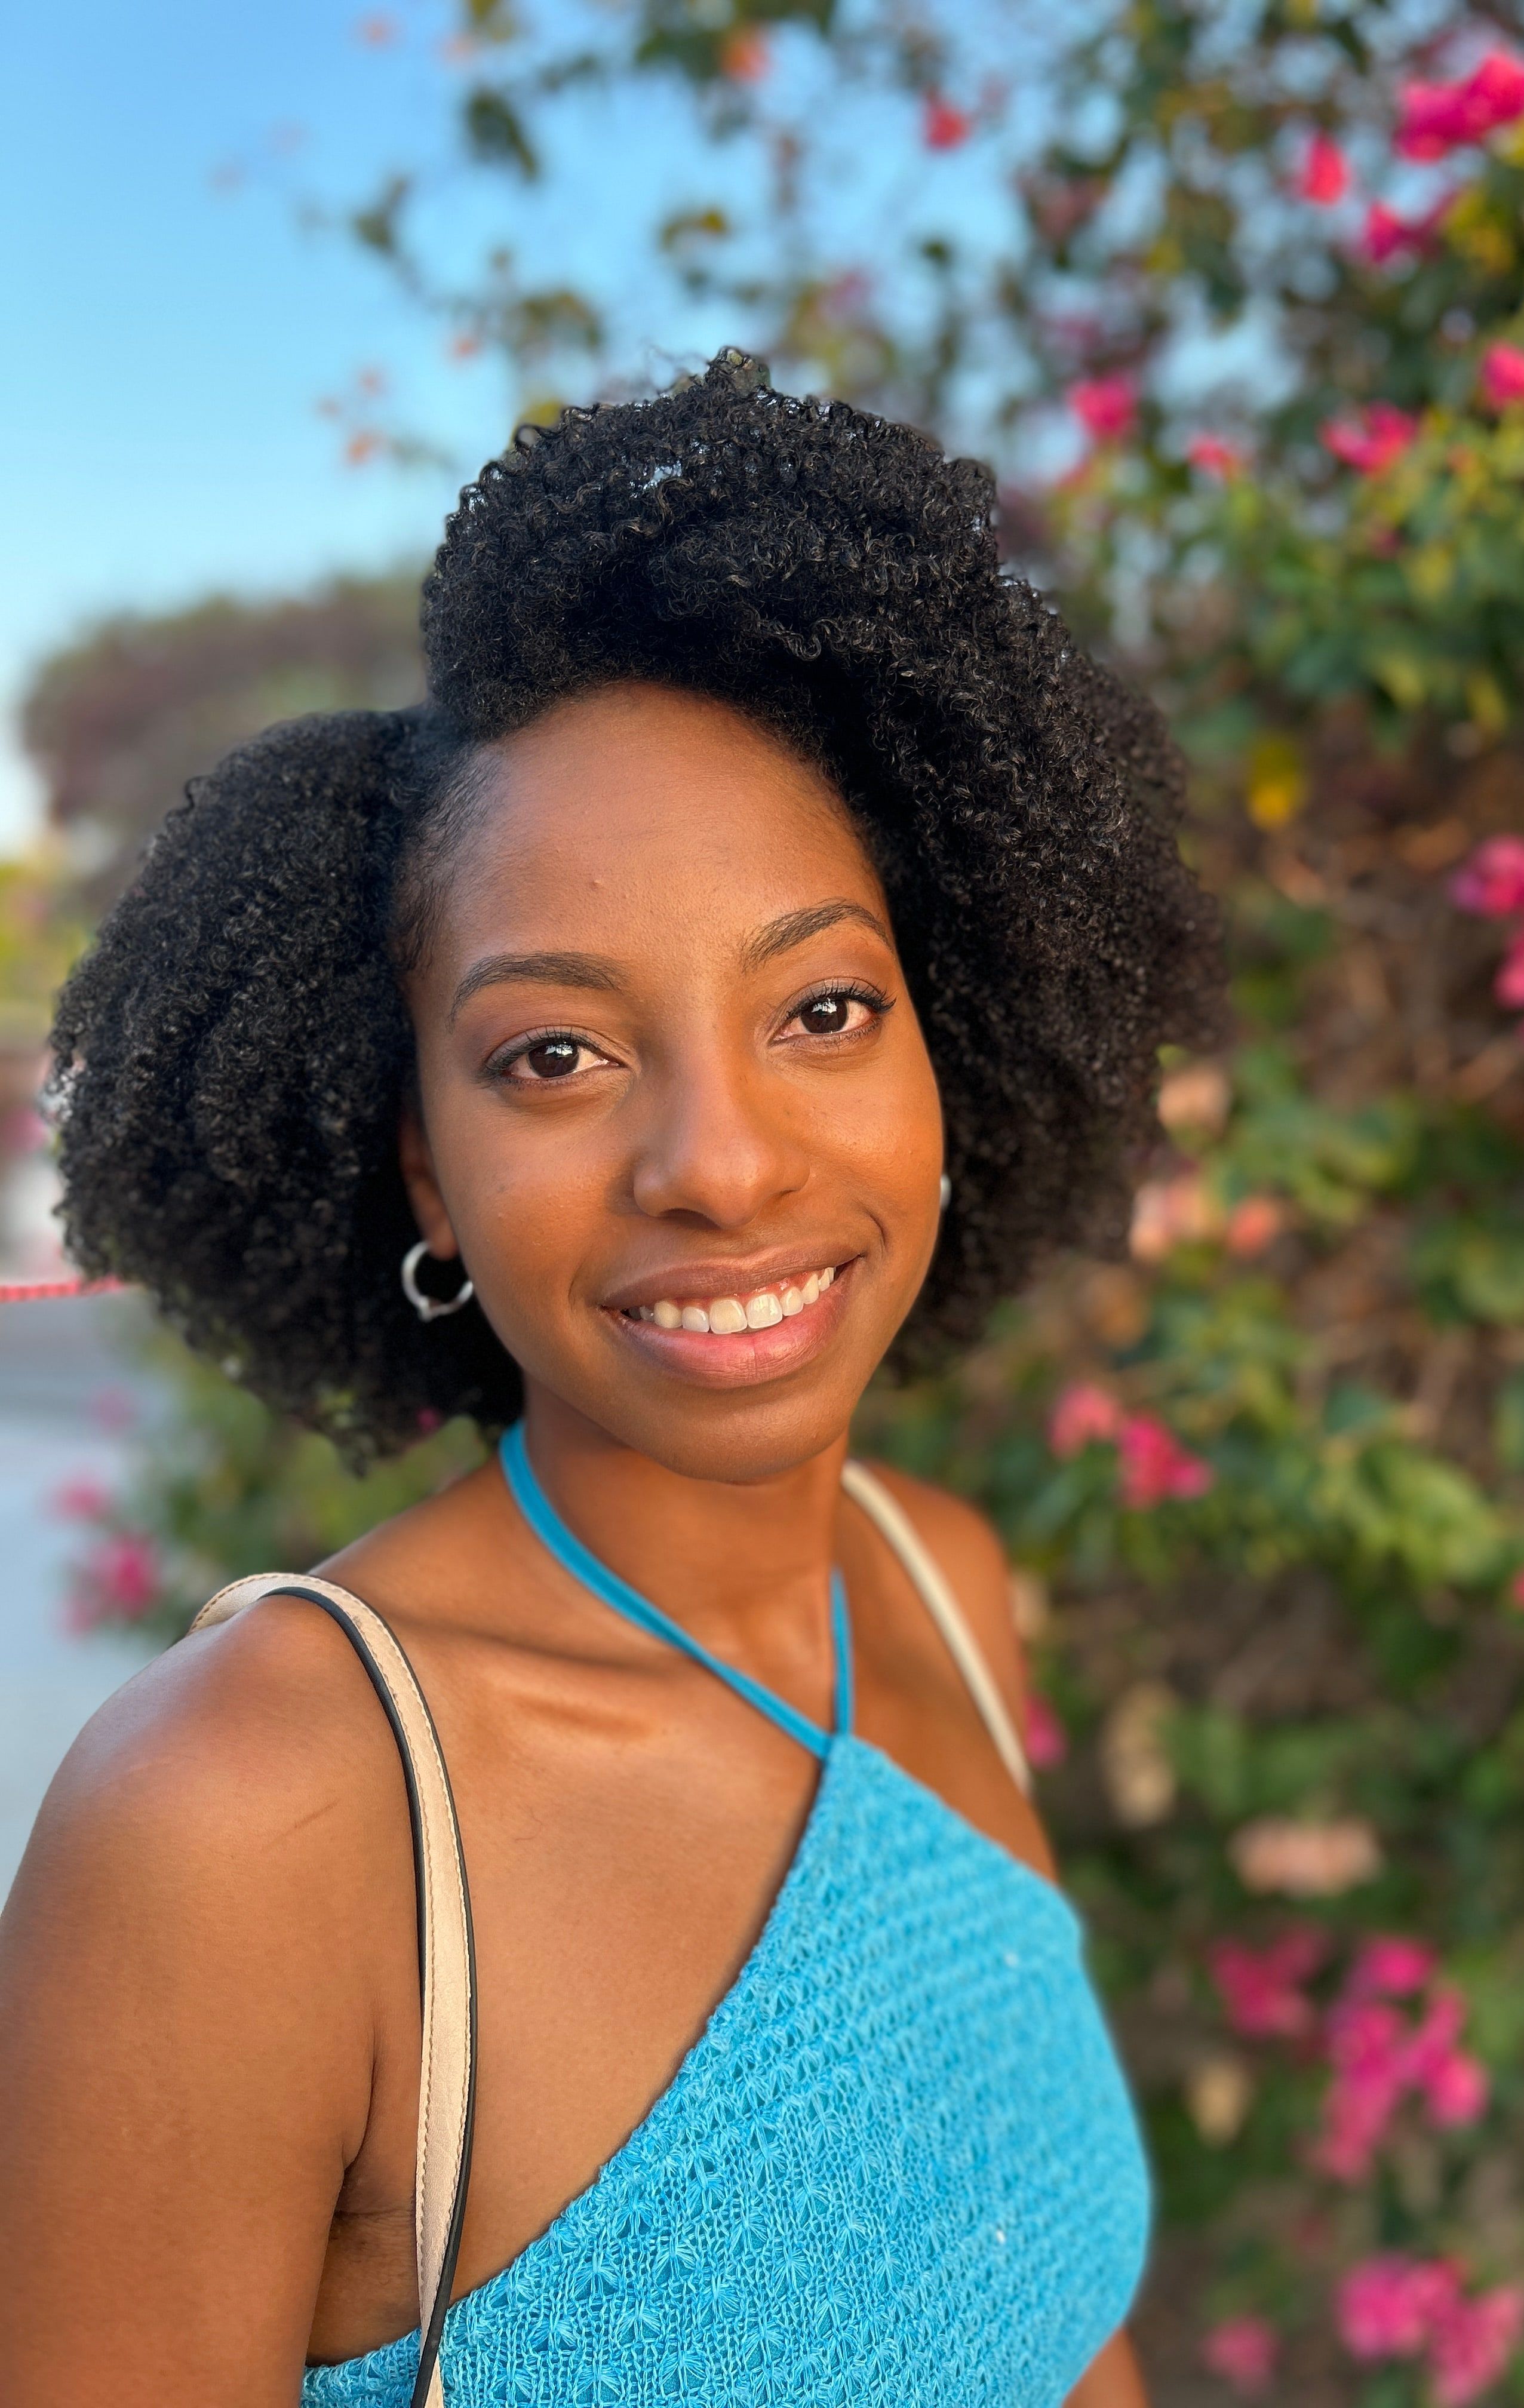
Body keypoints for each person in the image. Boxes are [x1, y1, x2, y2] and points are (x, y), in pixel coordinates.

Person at [0, 352, 1219, 2406]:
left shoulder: (937, 1589)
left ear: (955, 1047)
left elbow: (1042, 2328)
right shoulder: (257, 1824)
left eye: (825, 1007)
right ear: (428, 1168)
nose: (722, 1164)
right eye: (554, 1055)